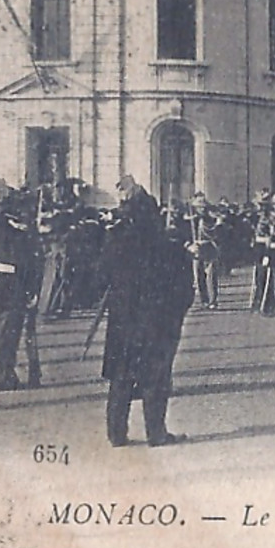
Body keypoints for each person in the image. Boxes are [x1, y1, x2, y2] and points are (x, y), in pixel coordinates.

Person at [100, 177, 194, 447]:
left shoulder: (114, 239)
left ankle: (116, 434)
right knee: (155, 375)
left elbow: (100, 276)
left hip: (122, 318)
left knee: (121, 374)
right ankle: (156, 432)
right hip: (155, 319)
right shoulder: (166, 244)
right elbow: (183, 288)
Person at [0, 180, 40, 391]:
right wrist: (31, 289)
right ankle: (4, 378)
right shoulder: (17, 230)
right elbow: (27, 259)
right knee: (7, 334)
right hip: (10, 285)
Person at [187, 192, 223, 309]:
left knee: (211, 275)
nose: (201, 209)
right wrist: (190, 244)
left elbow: (217, 232)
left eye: (203, 207)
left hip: (210, 248)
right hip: (196, 248)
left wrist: (218, 224)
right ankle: (204, 300)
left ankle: (213, 300)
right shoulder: (191, 220)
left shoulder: (211, 219)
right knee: (198, 275)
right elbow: (185, 235)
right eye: (198, 207)